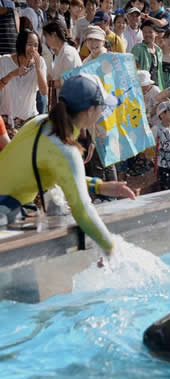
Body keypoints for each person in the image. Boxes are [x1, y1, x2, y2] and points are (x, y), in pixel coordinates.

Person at [0, 74, 136, 254]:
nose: (102, 113)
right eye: (101, 107)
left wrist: (99, 186)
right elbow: (83, 212)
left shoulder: (38, 123)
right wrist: (112, 250)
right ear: (89, 111)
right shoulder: (64, 149)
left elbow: (60, 172)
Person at [0, 29, 48, 130]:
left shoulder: (41, 62)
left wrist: (38, 68)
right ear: (21, 44)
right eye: (30, 44)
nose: (33, 49)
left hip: (29, 120)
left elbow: (44, 92)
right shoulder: (4, 61)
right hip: (6, 119)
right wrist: (13, 74)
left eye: (36, 45)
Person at [43, 20, 81, 98]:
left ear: (54, 35)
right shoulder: (59, 53)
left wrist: (48, 83)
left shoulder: (68, 52)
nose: (46, 41)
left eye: (46, 36)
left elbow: (66, 81)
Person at [132, 19, 164, 89]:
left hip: (158, 87)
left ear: (156, 33)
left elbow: (160, 73)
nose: (147, 34)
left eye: (150, 32)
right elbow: (132, 68)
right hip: (143, 89)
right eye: (144, 32)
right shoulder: (137, 48)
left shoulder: (159, 51)